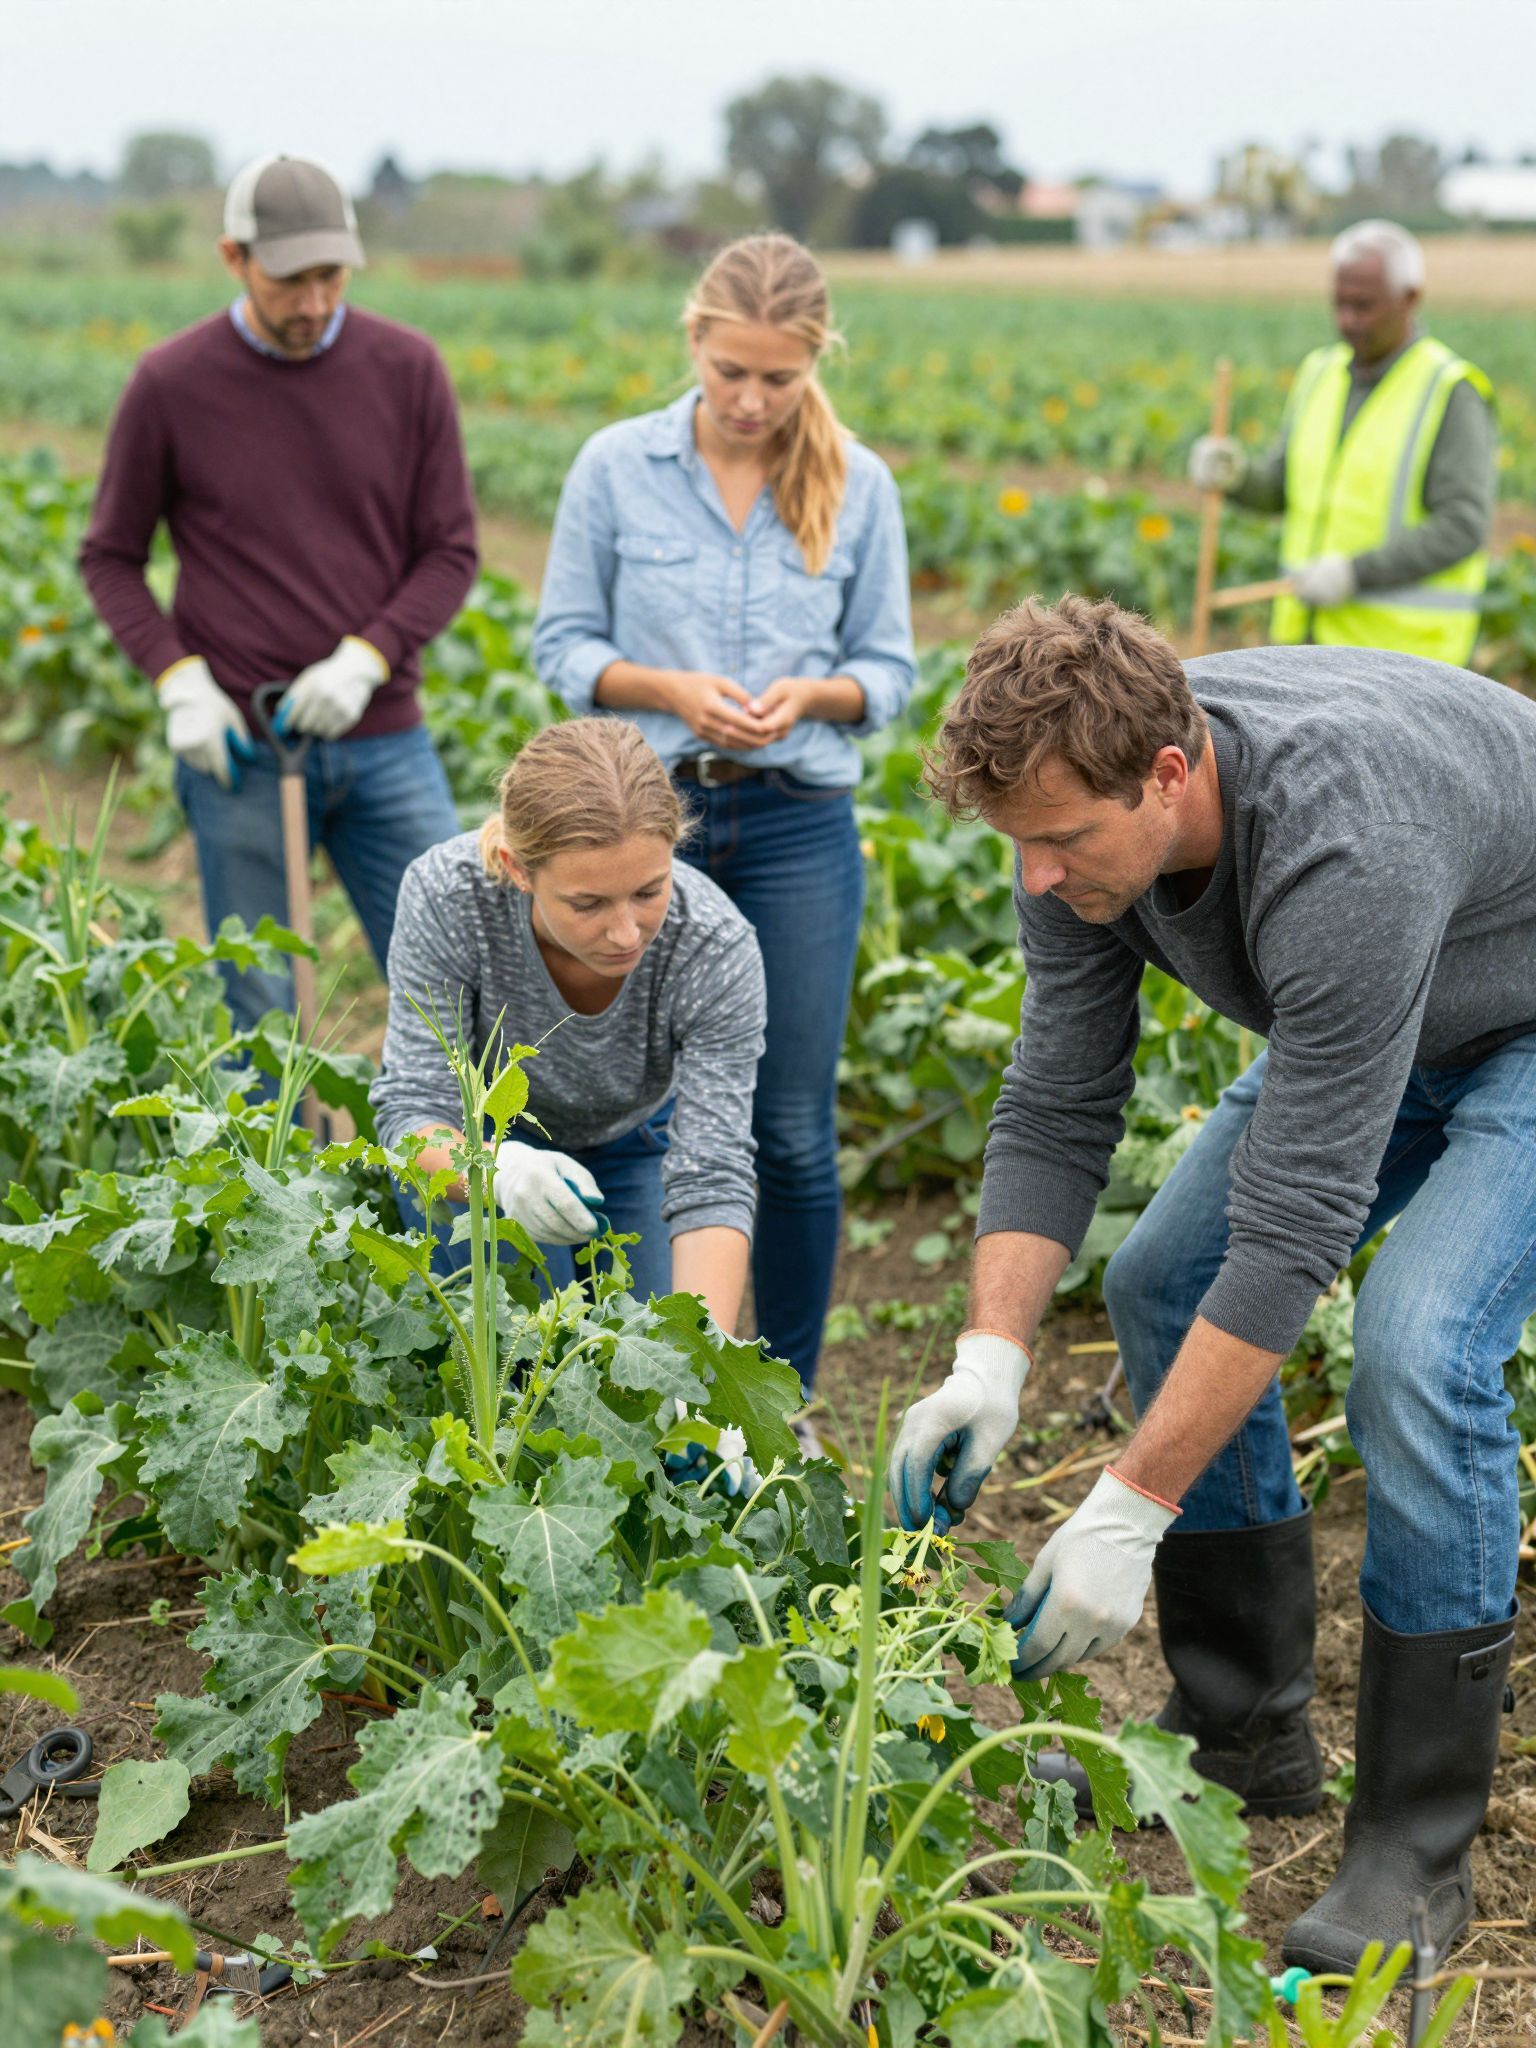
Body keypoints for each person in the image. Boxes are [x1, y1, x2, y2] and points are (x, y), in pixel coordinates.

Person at [889, 595, 1526, 1974]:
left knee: (1418, 1348)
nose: (1039, 877)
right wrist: (987, 1359)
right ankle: (1244, 1730)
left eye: (1062, 840)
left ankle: (1416, 1847)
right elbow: (1059, 1097)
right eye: (1020, 846)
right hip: (1390, 1012)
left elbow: (1299, 1227)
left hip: (1522, 1010)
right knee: (1166, 1276)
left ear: (1168, 777)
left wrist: (1131, 1509)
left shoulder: (1345, 843)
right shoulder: (1065, 810)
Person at [532, 233, 916, 1412]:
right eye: (731, 370)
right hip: (651, 834)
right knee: (637, 1112)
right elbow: (562, 648)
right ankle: (640, 1387)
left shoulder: (861, 482)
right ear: (693, 340)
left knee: (791, 1129)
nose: (751, 401)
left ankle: (779, 1399)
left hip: (801, 825)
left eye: (780, 378)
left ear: (817, 361)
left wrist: (813, 697)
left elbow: (891, 671)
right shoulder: (614, 467)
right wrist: (671, 691)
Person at [80, 154, 476, 1028]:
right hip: (244, 751)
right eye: (289, 280)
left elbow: (451, 551)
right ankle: (276, 1164)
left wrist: (367, 659)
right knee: (260, 1008)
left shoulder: (407, 370)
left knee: (454, 987)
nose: (313, 303)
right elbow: (110, 556)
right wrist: (180, 683)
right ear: (234, 258)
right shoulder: (171, 383)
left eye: (331, 277)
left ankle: (466, 1164)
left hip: (385, 743)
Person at [371, 718, 766, 1335]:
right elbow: (412, 1111)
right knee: (525, 1361)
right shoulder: (449, 897)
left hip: (635, 1145)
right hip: (481, 1149)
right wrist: (498, 1172)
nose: (627, 933)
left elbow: (712, 1172)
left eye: (648, 890)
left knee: (654, 1361)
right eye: (587, 904)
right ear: (517, 868)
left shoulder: (713, 946)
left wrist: (707, 1365)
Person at [1189, 219, 1495, 666]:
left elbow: (1463, 524)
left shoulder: (1449, 390)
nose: (1346, 320)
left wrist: (1356, 573)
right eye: (1339, 303)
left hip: (1400, 660)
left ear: (1410, 298)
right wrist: (1235, 474)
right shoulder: (1320, 372)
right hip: (1305, 643)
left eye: (1363, 305)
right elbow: (1281, 486)